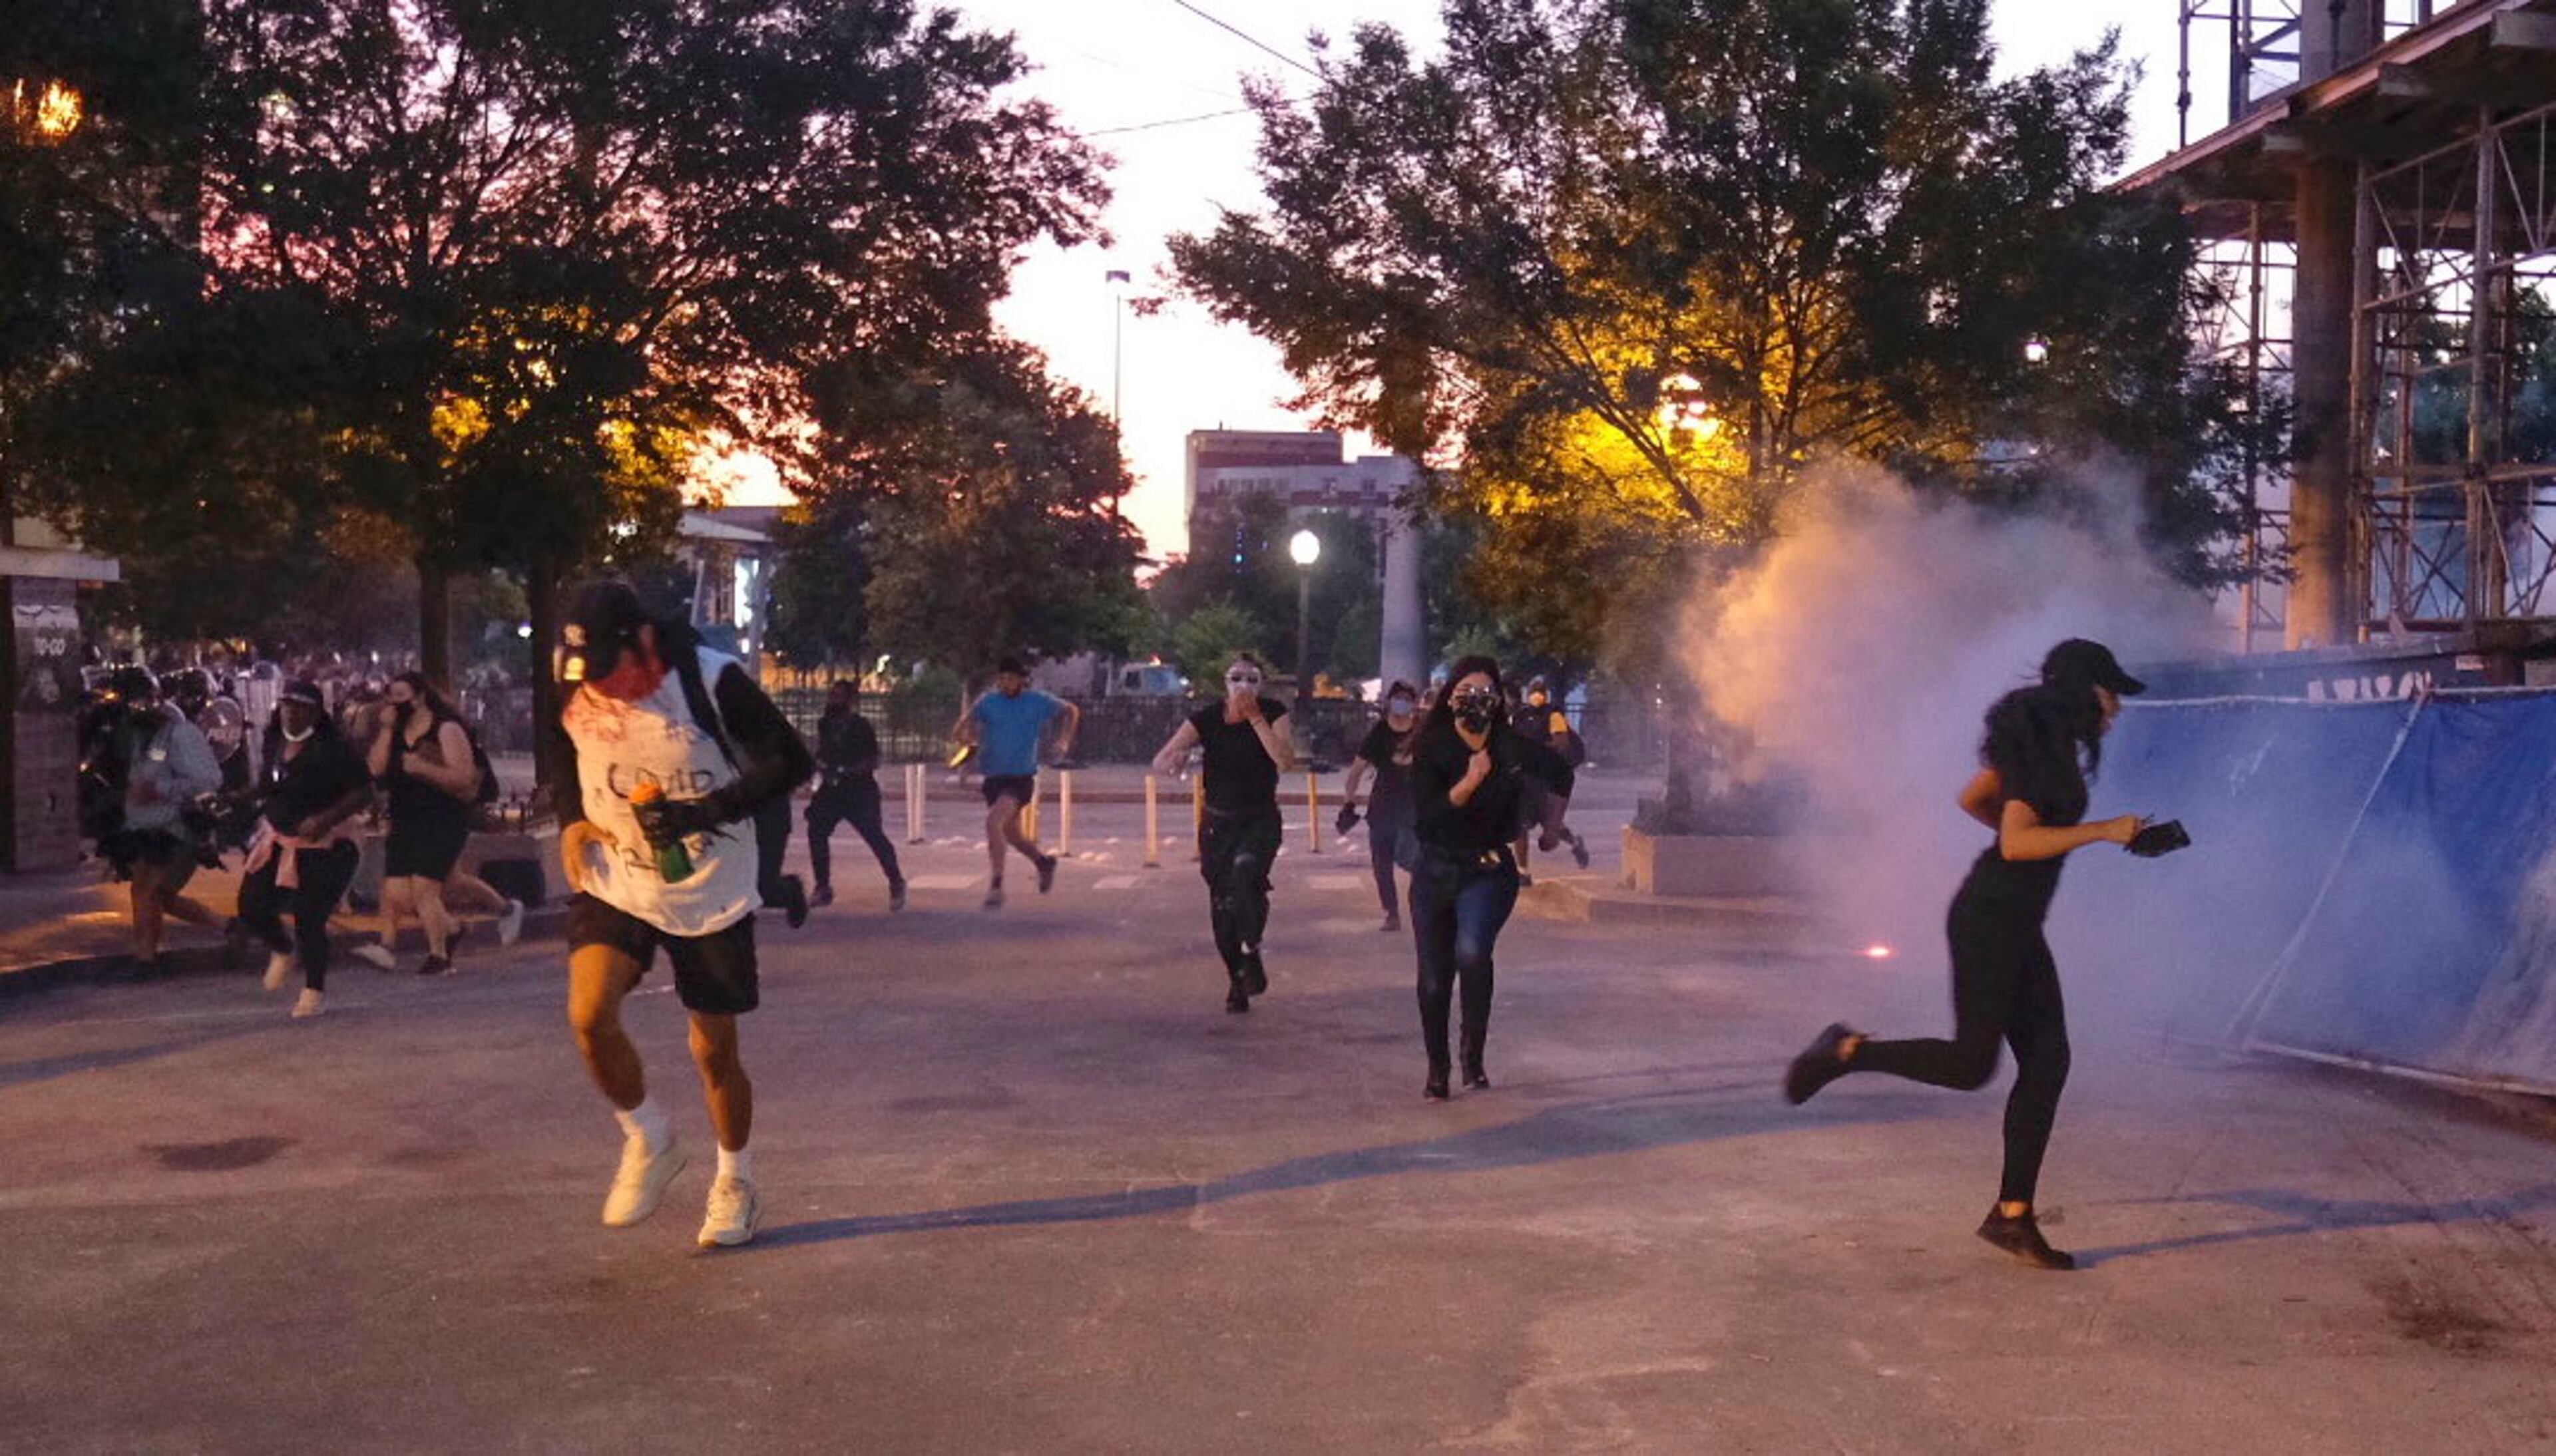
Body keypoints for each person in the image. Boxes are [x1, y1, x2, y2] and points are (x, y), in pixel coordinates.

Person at [1781, 643, 2151, 1271]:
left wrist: (2067, 839)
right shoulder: (2046, 762)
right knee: (1970, 1065)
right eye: (2111, 692)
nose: (2117, 706)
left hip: (2011, 920)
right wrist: (2102, 831)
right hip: (1992, 921)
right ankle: (1846, 1050)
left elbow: (1973, 800)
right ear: (2085, 691)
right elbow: (2014, 841)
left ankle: (2013, 1216)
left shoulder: (2037, 750)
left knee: (2048, 1059)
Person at [554, 581, 813, 1249]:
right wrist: (572, 818)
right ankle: (649, 1138)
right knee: (588, 1014)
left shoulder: (711, 682)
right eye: (594, 677)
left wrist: (701, 813)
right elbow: (563, 743)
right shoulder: (578, 681)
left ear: (644, 641)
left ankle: (736, 1180)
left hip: (708, 880)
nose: (607, 689)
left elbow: (792, 762)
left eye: (617, 672)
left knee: (713, 1051)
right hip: (619, 877)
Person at [1405, 657, 1532, 1099]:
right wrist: (1470, 781)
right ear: (1451, 698)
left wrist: (1554, 826)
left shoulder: (1511, 747)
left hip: (1488, 870)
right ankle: (1437, 1067)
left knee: (1473, 952)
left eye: (1485, 695)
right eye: (1466, 693)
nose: (1475, 702)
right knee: (1435, 977)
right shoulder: (1432, 747)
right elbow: (1430, 818)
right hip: (1435, 870)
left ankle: (1472, 1055)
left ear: (1498, 702)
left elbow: (1560, 771)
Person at [1150, 654, 1295, 1013]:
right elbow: (1163, 758)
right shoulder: (1208, 718)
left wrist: (1256, 719)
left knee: (1247, 871)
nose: (1243, 685)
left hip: (1259, 818)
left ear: (1261, 684)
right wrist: (1177, 759)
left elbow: (1285, 761)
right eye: (1236, 678)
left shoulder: (1273, 712)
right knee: (1222, 906)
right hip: (1219, 823)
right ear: (1225, 682)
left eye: (1251, 679)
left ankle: (1252, 947)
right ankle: (1237, 977)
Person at [240, 680, 374, 1017]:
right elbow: (269, 785)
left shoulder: (334, 748)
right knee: (252, 905)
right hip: (280, 837)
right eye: (287, 705)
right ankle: (283, 949)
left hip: (326, 844)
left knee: (309, 917)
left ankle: (313, 990)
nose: (292, 713)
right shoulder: (275, 741)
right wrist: (242, 799)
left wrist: (325, 819)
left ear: (315, 713)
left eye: (300, 707)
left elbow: (362, 792)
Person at [97, 668, 226, 970]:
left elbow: (209, 779)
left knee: (153, 891)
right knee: (149, 893)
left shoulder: (180, 733)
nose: (135, 709)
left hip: (176, 828)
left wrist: (161, 790)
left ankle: (147, 958)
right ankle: (149, 955)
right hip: (144, 827)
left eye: (139, 701)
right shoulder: (137, 736)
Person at [351, 672, 478, 976]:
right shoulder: (395, 732)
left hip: (442, 817)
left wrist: (422, 768)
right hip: (406, 816)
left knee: (424, 888)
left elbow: (463, 777)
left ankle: (439, 956)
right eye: (391, 696)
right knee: (396, 890)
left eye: (402, 695)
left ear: (420, 696)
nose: (396, 702)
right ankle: (450, 929)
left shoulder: (446, 729)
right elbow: (376, 768)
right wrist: (385, 729)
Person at [952, 656, 1078, 910]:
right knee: (1011, 834)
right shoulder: (988, 702)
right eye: (1002, 678)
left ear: (1022, 680)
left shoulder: (1037, 701)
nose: (1005, 683)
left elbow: (1071, 711)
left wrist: (1065, 740)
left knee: (993, 823)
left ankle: (996, 886)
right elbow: (962, 727)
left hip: (1020, 778)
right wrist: (965, 739)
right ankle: (1043, 862)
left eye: (1010, 678)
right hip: (993, 777)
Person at [807, 680, 906, 912]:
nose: (833, 701)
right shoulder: (825, 724)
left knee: (874, 836)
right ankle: (823, 886)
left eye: (839, 696)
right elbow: (823, 751)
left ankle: (896, 881)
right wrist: (820, 766)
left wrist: (845, 770)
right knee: (816, 830)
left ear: (851, 701)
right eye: (831, 696)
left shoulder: (861, 726)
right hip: (832, 790)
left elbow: (872, 760)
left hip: (859, 791)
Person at [1338, 681, 1421, 933]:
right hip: (1383, 805)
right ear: (1389, 701)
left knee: (1414, 858)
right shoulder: (1379, 733)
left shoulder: (1422, 732)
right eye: (1398, 697)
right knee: (1381, 862)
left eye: (1407, 698)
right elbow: (1356, 770)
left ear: (1414, 703)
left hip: (1413, 806)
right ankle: (1391, 912)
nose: (1402, 703)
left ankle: (1420, 906)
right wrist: (1349, 802)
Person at [1510, 677, 1592, 874]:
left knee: (1548, 834)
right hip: (1526, 777)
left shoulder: (1554, 715)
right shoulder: (1519, 716)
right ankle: (1523, 871)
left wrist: (1535, 748)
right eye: (1533, 690)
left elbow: (1561, 743)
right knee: (1521, 822)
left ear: (1546, 695)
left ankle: (1574, 843)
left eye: (1540, 691)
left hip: (1549, 778)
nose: (1536, 694)